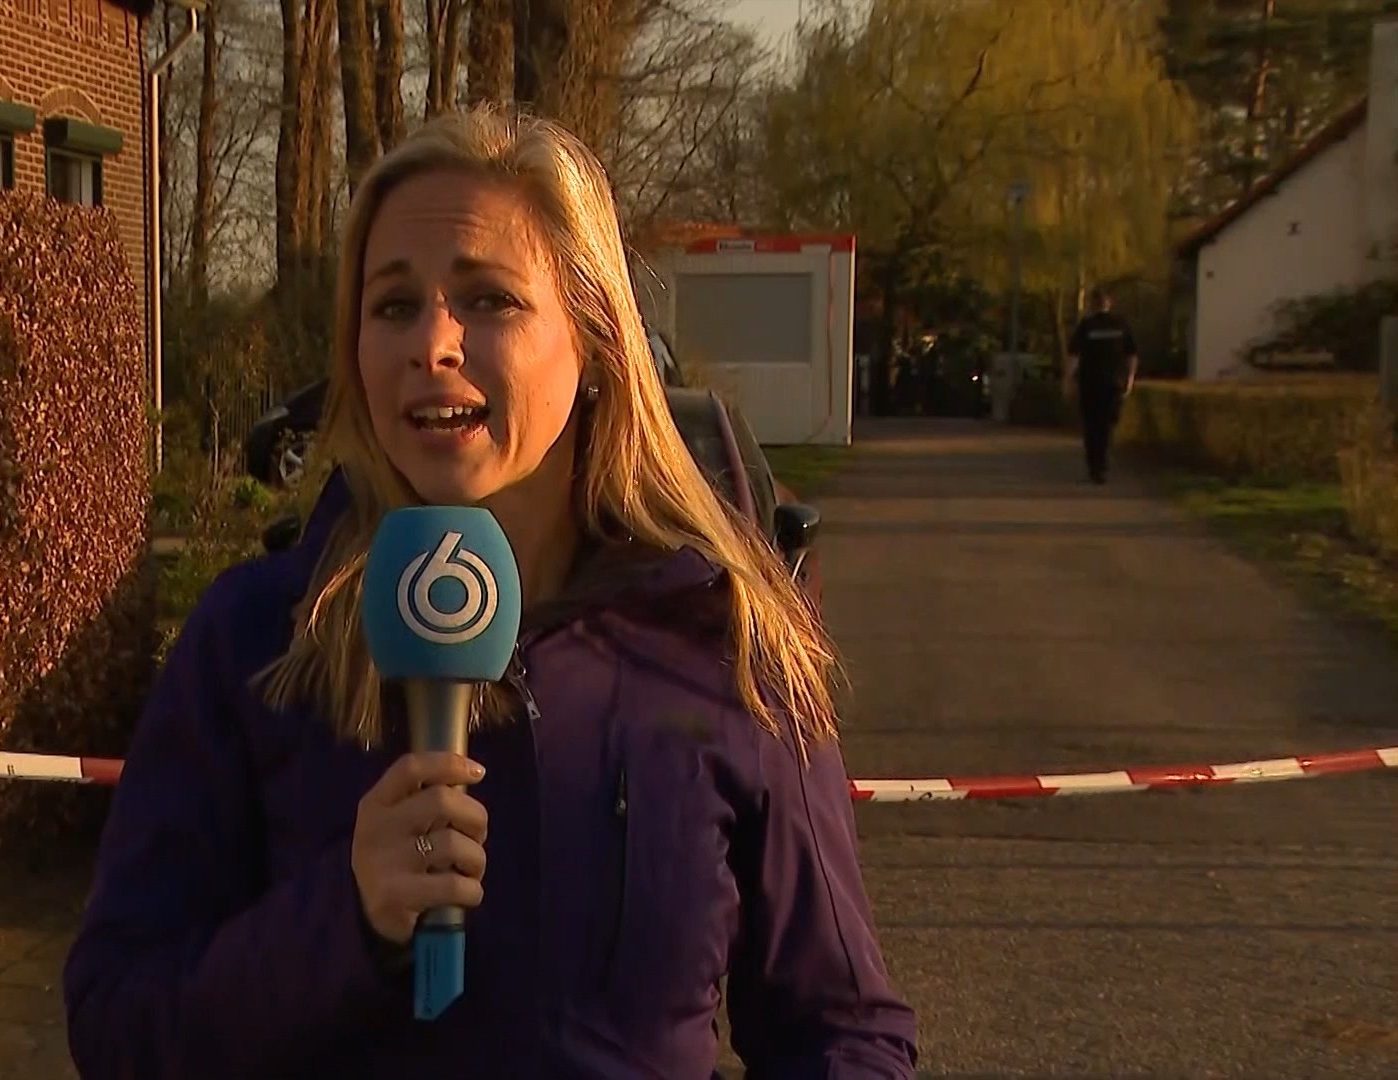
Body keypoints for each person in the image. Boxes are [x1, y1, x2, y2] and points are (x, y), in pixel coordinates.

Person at [62, 104, 919, 1079]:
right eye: (394, 305)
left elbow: (845, 1031)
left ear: (594, 340)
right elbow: (118, 1023)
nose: (432, 342)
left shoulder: (725, 644)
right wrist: (345, 920)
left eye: (488, 299)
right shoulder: (254, 640)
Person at [1063, 288, 1140, 483]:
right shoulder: (1121, 324)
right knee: (1108, 424)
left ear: (1092, 304)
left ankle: (1095, 466)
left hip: (1090, 383)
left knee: (1092, 425)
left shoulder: (1087, 326)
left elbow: (1074, 356)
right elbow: (1131, 355)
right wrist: (1130, 378)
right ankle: (1102, 463)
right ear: (1110, 303)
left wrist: (1067, 380)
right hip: (1114, 383)